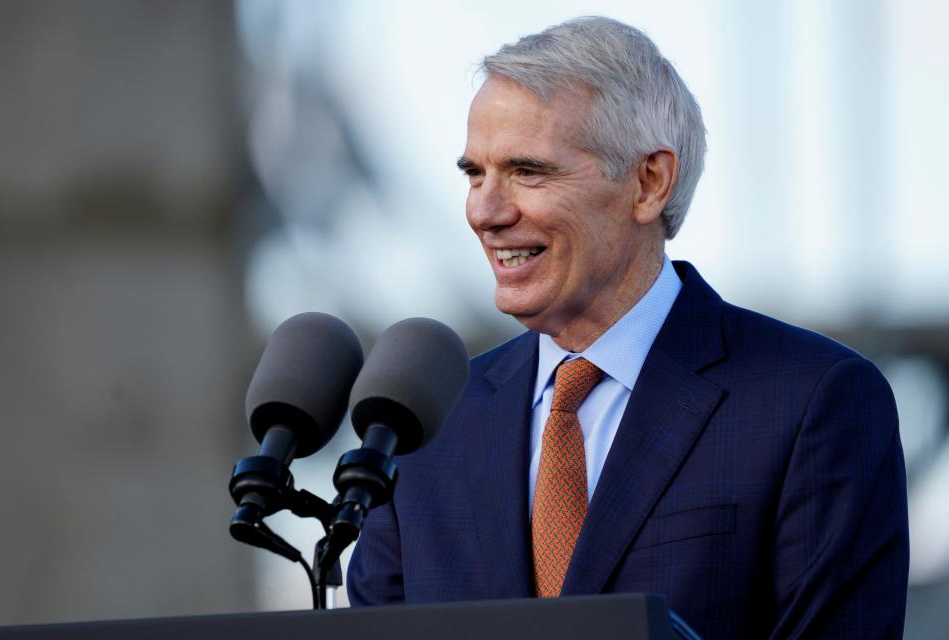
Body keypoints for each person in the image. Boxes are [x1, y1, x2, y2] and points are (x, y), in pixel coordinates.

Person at [347, 16, 909, 639]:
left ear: (648, 183)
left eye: (528, 171)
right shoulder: (425, 427)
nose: (485, 211)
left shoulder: (811, 401)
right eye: (475, 174)